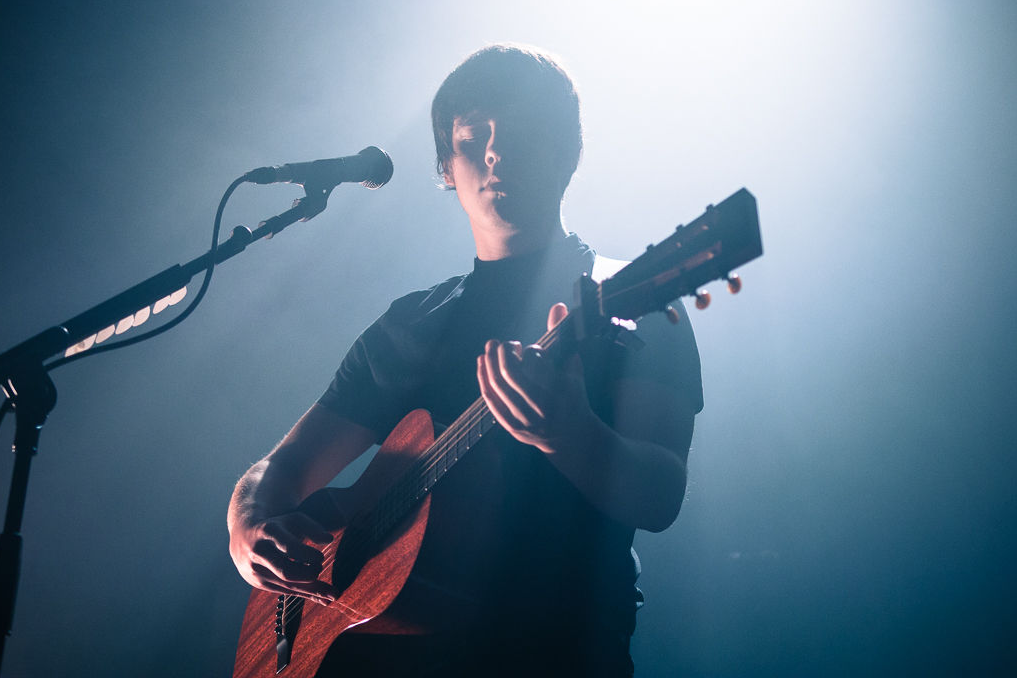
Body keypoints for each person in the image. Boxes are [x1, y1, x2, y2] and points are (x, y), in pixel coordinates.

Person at [227, 44, 703, 677]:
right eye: (473, 138)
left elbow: (660, 494)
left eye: (522, 133)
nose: (496, 154)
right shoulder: (409, 324)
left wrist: (566, 433)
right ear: (447, 167)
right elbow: (277, 471)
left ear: (568, 153)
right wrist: (251, 527)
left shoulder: (634, 301)